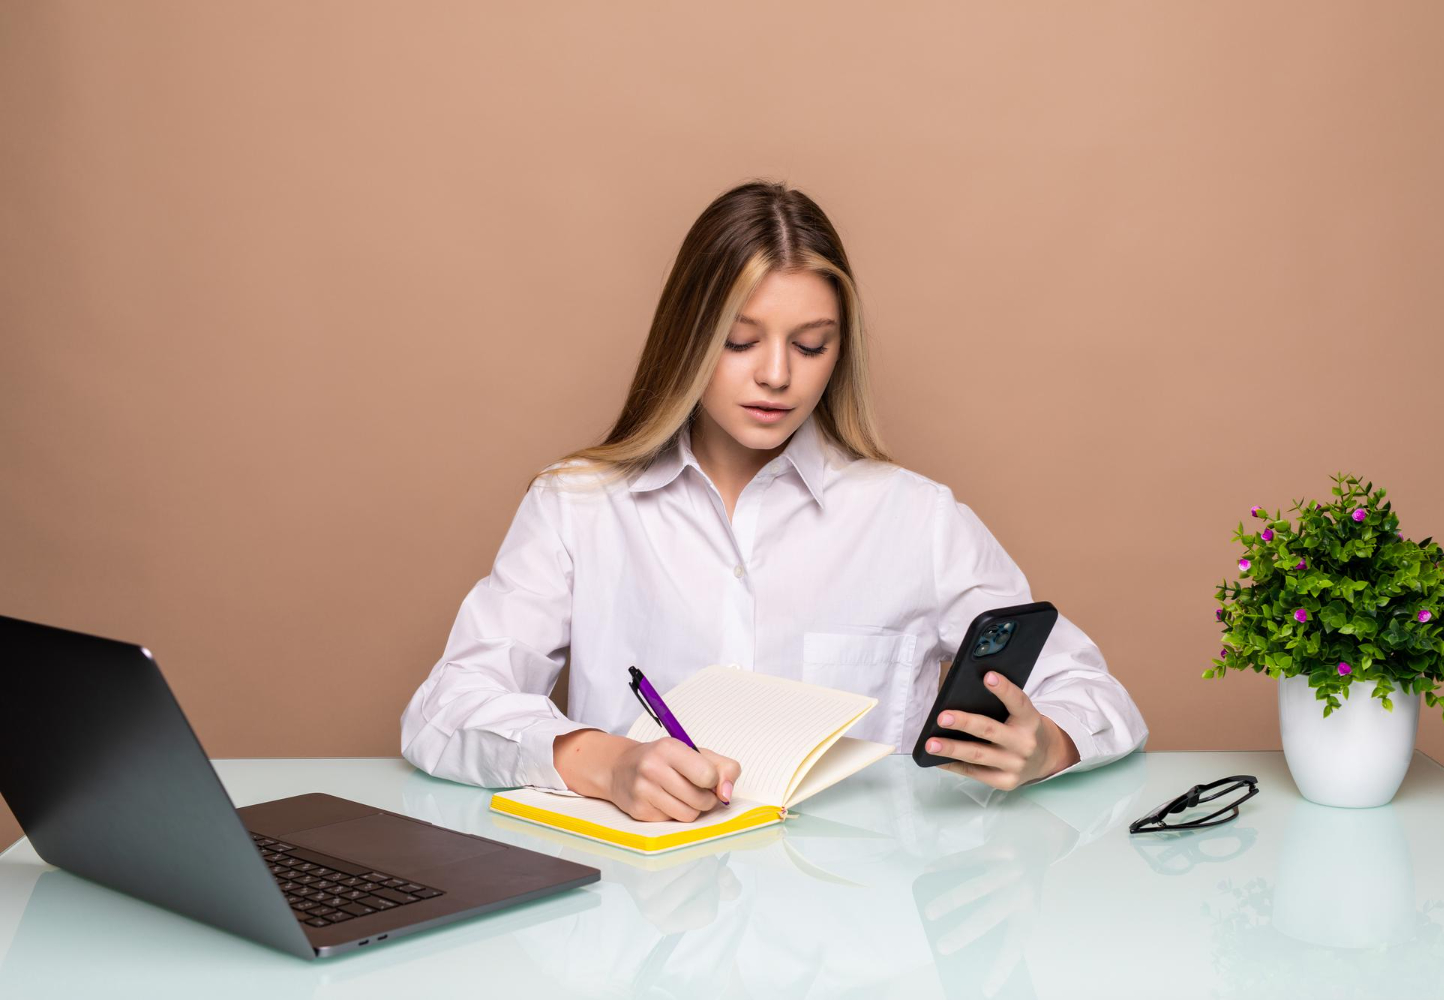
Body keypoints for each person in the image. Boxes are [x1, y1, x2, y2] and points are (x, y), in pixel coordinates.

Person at [399, 179, 1148, 823]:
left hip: (851, 936)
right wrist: (604, 761)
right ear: (687, 337)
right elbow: (440, 712)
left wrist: (1049, 744)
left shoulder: (916, 518)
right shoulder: (579, 507)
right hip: (640, 924)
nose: (778, 376)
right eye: (740, 340)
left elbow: (1096, 694)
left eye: (812, 345)